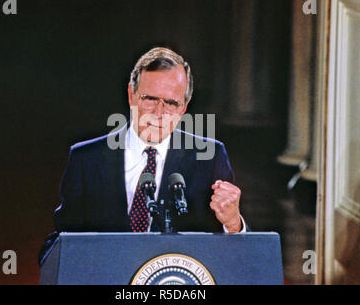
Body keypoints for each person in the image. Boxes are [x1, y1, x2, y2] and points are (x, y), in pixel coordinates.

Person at [38, 47, 247, 266]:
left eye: (171, 103)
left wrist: (233, 224)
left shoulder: (210, 157)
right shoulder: (86, 159)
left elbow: (237, 259)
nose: (159, 113)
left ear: (184, 107)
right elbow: (59, 245)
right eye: (150, 99)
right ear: (131, 95)